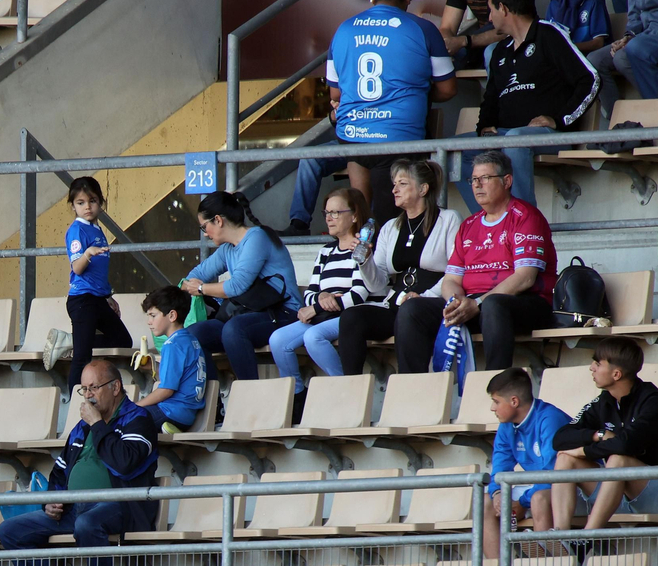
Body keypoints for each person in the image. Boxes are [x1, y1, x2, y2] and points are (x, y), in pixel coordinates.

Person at [0, 359, 157, 566]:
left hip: (120, 505)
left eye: (94, 388)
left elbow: (125, 463)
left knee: (87, 524)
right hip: (73, 509)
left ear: (115, 388)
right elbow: (59, 473)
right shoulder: (80, 428)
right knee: (10, 531)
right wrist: (51, 501)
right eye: (84, 389)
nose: (88, 396)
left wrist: (97, 424)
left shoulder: (139, 419)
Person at [395, 150, 555, 374]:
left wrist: (477, 303)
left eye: (485, 179)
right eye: (474, 180)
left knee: (493, 304)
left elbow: (525, 278)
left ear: (507, 181)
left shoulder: (526, 217)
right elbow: (451, 278)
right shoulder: (469, 224)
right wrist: (455, 301)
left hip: (523, 303)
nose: (477, 185)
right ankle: (415, 391)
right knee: (412, 309)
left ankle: (497, 385)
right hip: (473, 305)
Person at [457, 0, 598, 213]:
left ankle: (524, 224)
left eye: (491, 10)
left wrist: (560, 119)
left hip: (547, 135)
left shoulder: (548, 35)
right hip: (506, 135)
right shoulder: (500, 51)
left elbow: (590, 79)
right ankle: (489, 223)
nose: (489, 18)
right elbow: (490, 99)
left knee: (515, 139)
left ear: (503, 8)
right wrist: (485, 127)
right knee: (453, 150)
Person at [323, 0, 457, 216]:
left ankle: (360, 241)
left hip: (353, 133)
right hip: (398, 136)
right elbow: (448, 89)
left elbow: (335, 92)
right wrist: (415, 93)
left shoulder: (343, 30)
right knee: (390, 219)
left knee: (360, 212)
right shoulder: (424, 28)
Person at [552, 338, 658, 541]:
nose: (591, 368)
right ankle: (562, 538)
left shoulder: (654, 402)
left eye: (598, 363)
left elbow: (626, 444)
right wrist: (596, 435)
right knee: (566, 459)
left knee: (619, 460)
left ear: (616, 374)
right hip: (618, 494)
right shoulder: (604, 401)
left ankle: (587, 540)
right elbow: (560, 438)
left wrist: (585, 451)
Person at [339, 159, 461, 375]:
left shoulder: (449, 219)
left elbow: (456, 269)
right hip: (397, 303)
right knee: (352, 317)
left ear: (423, 189)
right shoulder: (389, 227)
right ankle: (351, 390)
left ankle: (409, 386)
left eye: (402, 184)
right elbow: (376, 285)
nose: (394, 189)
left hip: (434, 303)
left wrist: (424, 296)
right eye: (394, 183)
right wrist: (365, 260)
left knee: (410, 311)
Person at [268, 188, 382, 415]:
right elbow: (311, 290)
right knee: (278, 339)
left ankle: (346, 393)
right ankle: (297, 400)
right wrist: (320, 298)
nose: (329, 218)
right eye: (326, 212)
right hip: (323, 313)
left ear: (355, 216)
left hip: (349, 315)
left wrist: (317, 306)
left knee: (313, 336)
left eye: (336, 213)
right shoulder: (326, 252)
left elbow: (358, 295)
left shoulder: (364, 249)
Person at [182, 191, 303, 382]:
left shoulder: (257, 237)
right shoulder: (227, 250)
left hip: (285, 312)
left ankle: (248, 395)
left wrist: (201, 289)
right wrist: (187, 286)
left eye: (204, 226)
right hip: (249, 313)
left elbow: (237, 285)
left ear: (218, 220)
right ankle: (216, 401)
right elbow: (193, 276)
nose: (205, 233)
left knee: (234, 330)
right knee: (193, 334)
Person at [40, 177, 133, 390]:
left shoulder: (96, 229)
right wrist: (88, 254)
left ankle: (70, 341)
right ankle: (76, 405)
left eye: (92, 201)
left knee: (122, 341)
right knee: (82, 358)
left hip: (98, 299)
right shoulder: (77, 230)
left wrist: (108, 295)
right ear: (73, 206)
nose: (87, 207)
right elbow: (77, 269)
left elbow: (99, 272)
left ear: (101, 202)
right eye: (80, 203)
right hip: (82, 301)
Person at [483, 368, 572, 559]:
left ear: (514, 401)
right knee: (485, 502)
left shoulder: (550, 419)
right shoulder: (506, 425)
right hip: (539, 485)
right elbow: (499, 467)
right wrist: (498, 493)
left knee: (538, 499)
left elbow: (553, 473)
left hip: (570, 487)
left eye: (496, 401)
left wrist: (521, 502)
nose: (492, 408)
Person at [136, 286, 207, 433]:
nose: (149, 322)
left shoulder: (172, 344)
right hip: (186, 415)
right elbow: (179, 376)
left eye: (153, 315)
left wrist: (136, 406)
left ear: (172, 316)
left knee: (124, 421)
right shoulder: (190, 340)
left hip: (171, 412)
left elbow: (166, 390)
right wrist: (154, 366)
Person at [439, 0, 531, 68]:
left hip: (508, 41)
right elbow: (447, 27)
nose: (490, 17)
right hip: (476, 44)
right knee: (437, 54)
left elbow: (517, 29)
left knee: (490, 52)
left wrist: (466, 41)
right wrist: (447, 43)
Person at [547, 0, 612, 54]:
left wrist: (570, 47)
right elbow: (548, 39)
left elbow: (599, 43)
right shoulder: (554, 4)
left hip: (586, 56)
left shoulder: (594, 0)